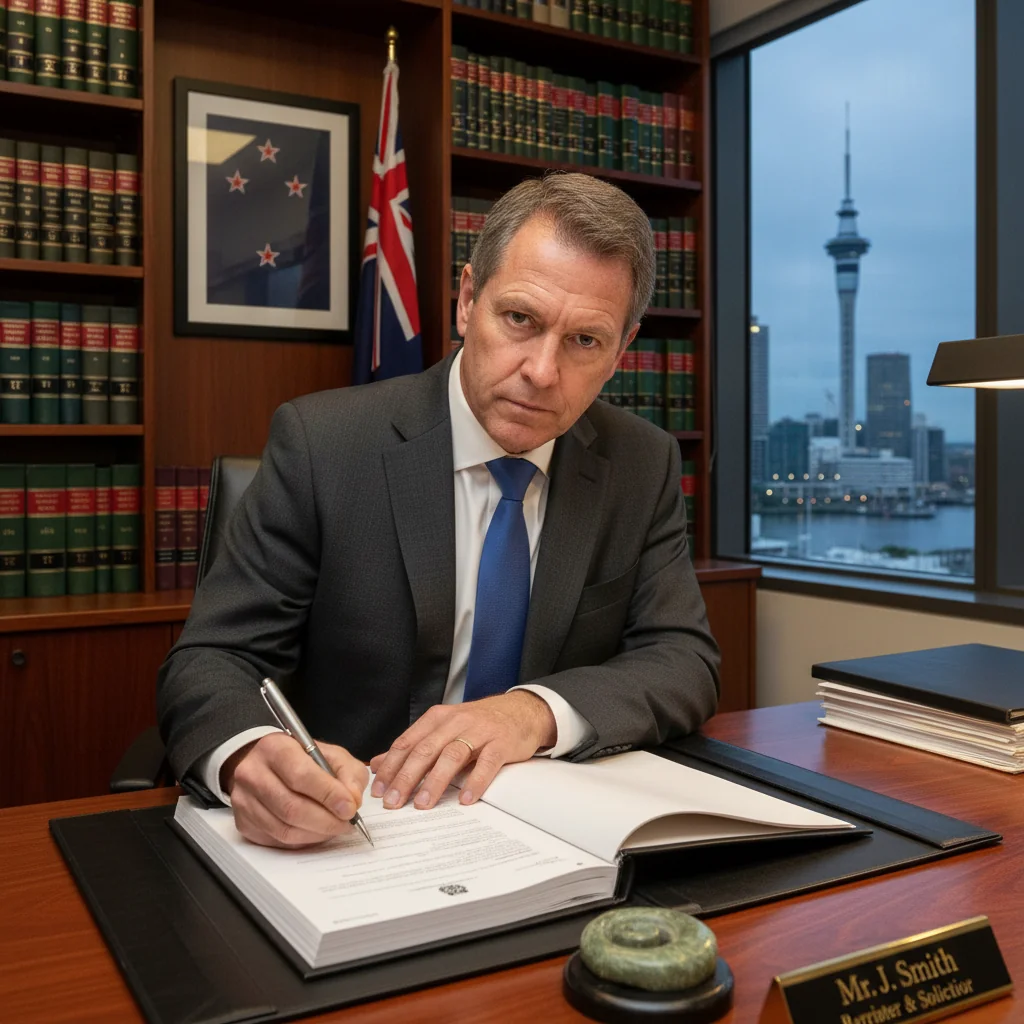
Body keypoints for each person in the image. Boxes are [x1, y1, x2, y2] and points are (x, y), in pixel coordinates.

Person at [157, 172, 720, 850]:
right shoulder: (324, 445)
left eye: (584, 341)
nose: (542, 371)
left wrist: (532, 712)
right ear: (466, 300)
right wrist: (250, 753)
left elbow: (683, 658)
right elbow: (212, 659)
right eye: (520, 319)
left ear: (621, 352)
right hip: (353, 829)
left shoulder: (641, 462)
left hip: (546, 833)